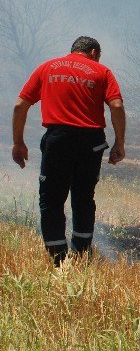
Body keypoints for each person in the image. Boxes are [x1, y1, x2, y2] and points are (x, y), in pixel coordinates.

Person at [11, 36, 126, 264]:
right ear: (93, 52)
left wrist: (18, 142)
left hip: (58, 141)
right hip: (91, 142)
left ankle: (59, 259)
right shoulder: (102, 72)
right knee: (83, 198)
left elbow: (19, 105)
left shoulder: (47, 67)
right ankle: (82, 253)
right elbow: (117, 106)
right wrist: (119, 143)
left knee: (51, 200)